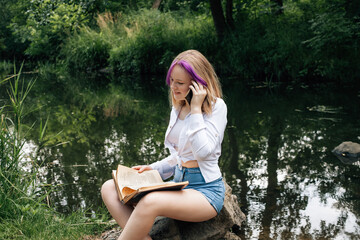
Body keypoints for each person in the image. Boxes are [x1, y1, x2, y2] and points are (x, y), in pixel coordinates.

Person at [101, 50, 228, 240]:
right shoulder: (177, 108)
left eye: (180, 83)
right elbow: (180, 155)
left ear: (198, 84)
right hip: (178, 184)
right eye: (172, 81)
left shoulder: (217, 107)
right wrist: (153, 169)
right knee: (109, 187)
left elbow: (203, 153)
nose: (173, 88)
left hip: (205, 193)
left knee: (150, 202)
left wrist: (195, 109)